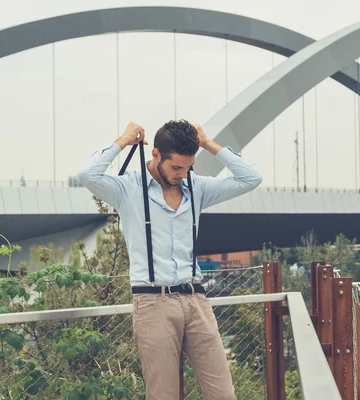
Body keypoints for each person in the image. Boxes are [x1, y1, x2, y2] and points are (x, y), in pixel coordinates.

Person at [78, 120, 262, 399]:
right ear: (156, 155)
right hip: (153, 302)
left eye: (187, 167)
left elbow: (251, 178)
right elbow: (88, 174)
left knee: (223, 393)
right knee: (163, 394)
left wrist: (208, 143)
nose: (181, 174)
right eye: (176, 167)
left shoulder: (196, 188)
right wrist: (124, 140)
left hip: (196, 299)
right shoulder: (128, 189)